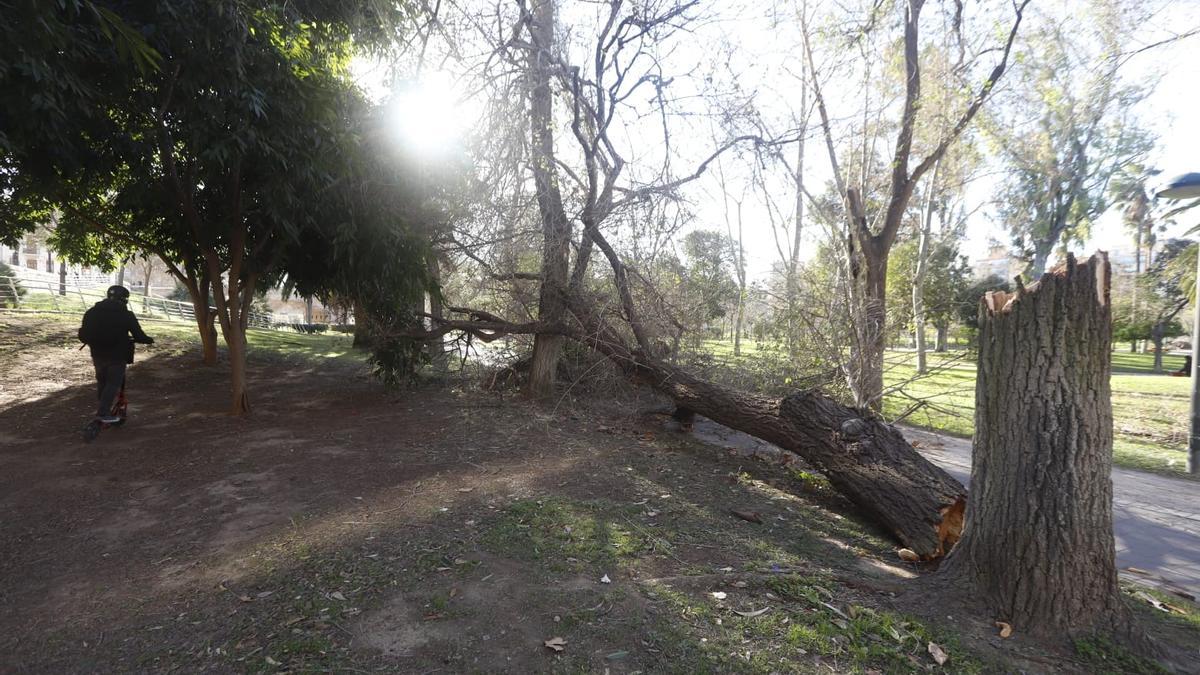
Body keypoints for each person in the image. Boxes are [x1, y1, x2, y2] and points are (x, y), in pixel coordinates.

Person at [78, 285, 154, 423]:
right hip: (117, 355)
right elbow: (139, 335)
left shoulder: (92, 312)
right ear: (124, 299)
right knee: (113, 383)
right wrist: (148, 340)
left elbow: (84, 332)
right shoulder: (126, 315)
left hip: (97, 353)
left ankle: (102, 407)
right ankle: (103, 413)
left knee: (102, 381)